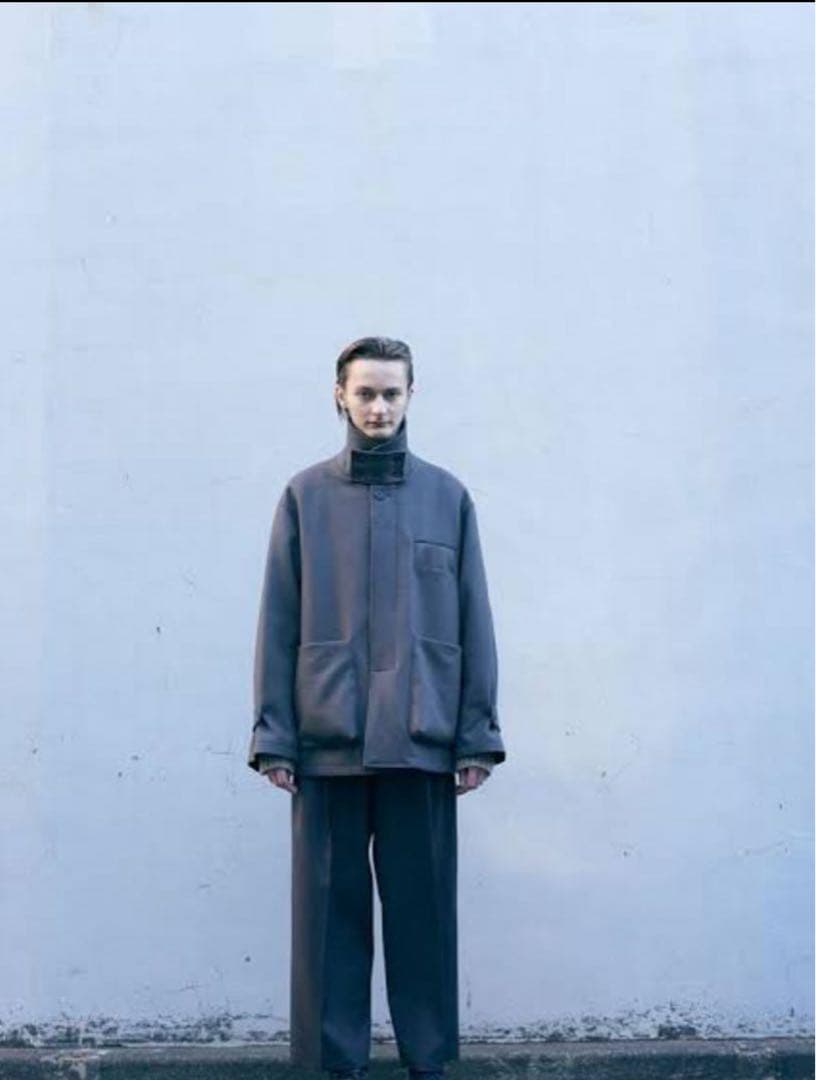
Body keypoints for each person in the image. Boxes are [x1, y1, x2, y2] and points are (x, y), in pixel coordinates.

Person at [247, 336, 506, 1080]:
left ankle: (429, 1062)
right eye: (365, 392)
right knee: (330, 915)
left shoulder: (447, 498)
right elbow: (279, 616)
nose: (378, 407)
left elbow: (473, 617)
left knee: (423, 910)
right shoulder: (304, 497)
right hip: (326, 740)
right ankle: (338, 1064)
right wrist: (275, 736)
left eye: (392, 392)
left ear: (411, 395)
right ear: (340, 395)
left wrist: (475, 736)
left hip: (423, 738)